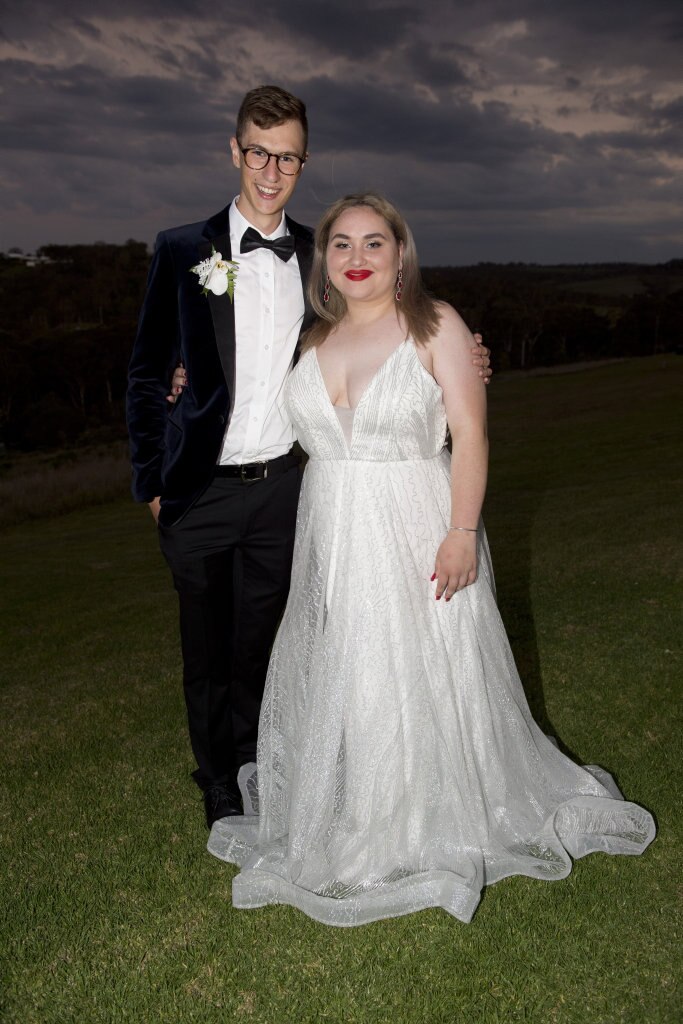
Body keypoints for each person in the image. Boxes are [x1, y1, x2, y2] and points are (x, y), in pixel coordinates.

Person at [206, 191, 655, 927]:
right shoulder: (310, 340)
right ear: (325, 261)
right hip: (332, 526)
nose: (356, 258)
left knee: (421, 663)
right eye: (341, 244)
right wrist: (182, 393)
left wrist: (460, 531)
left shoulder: (437, 325)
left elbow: (470, 437)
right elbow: (260, 407)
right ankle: (364, 806)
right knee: (352, 662)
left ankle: (422, 816)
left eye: (373, 243)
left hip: (417, 522)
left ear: (400, 254)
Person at [127, 86, 492, 830]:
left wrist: (467, 354)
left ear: (302, 161)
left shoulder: (317, 256)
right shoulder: (177, 250)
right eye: (258, 152)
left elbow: (381, 329)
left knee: (271, 642)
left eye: (287, 156)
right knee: (204, 647)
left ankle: (270, 766)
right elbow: (143, 373)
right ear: (234, 151)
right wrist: (151, 484)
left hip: (286, 490)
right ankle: (219, 782)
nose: (270, 169)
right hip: (195, 490)